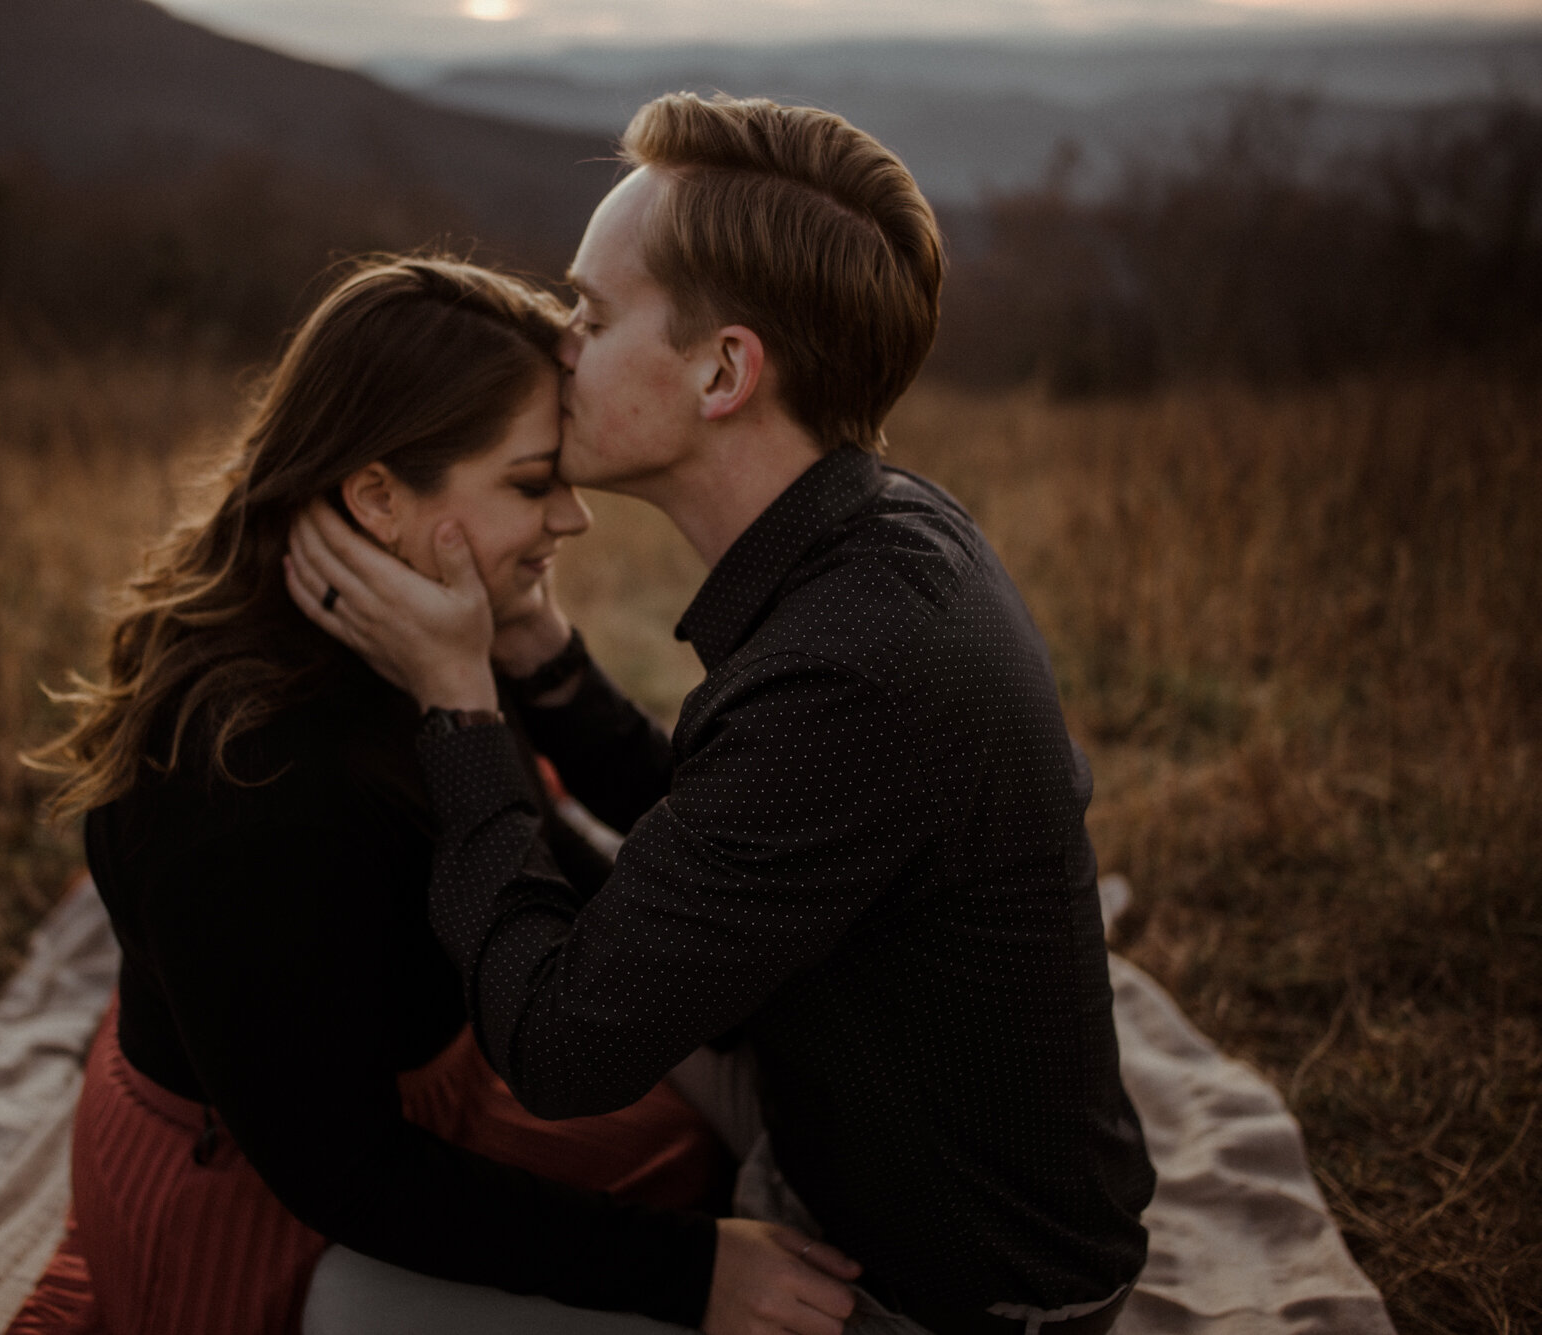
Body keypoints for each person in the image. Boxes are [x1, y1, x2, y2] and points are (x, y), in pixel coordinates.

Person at [285, 95, 1157, 1335]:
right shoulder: (877, 537)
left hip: (952, 1297)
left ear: (722, 372)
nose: (554, 344)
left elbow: (560, 1045)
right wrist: (534, 653)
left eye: (585, 314)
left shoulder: (856, 665)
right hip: (851, 1118)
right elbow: (715, 824)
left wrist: (455, 704)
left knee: (345, 1305)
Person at [13, 255, 865, 1335]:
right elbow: (345, 1173)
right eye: (528, 482)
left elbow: (558, 852)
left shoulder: (421, 637)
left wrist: (695, 957)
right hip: (273, 1207)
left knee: (696, 1158)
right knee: (718, 1264)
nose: (573, 518)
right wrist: (689, 1272)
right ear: (375, 495)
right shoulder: (246, 790)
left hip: (437, 1097)